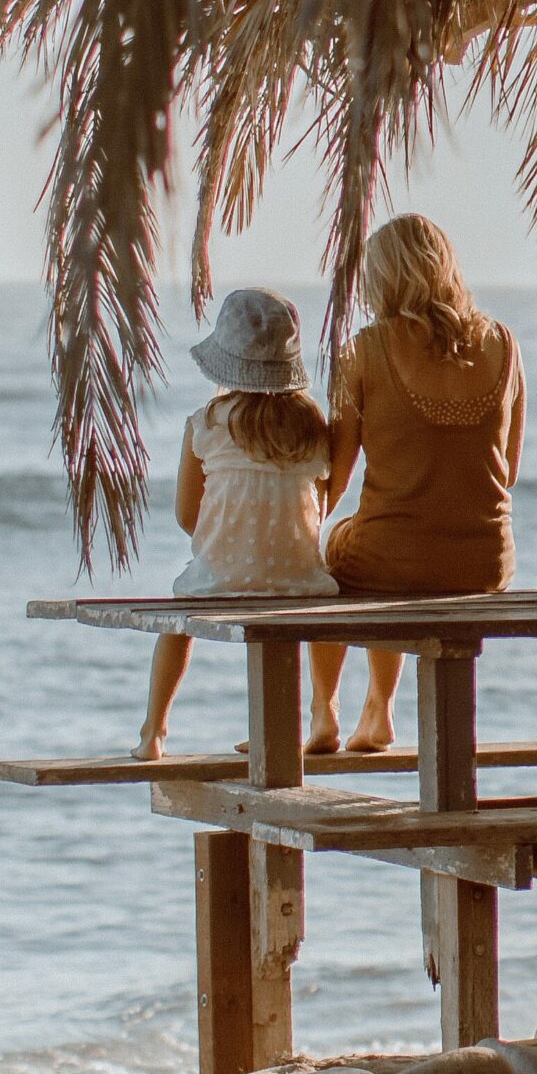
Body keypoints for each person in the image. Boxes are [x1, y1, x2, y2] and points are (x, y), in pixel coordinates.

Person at [308, 215, 526, 755]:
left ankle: (324, 711)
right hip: (485, 565)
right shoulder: (503, 343)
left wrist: (298, 536)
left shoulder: (364, 348)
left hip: (393, 563)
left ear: (382, 277)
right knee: (380, 538)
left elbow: (335, 477)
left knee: (341, 550)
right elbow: (508, 469)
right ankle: (377, 711)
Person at [132, 289, 337, 760]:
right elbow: (319, 505)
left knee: (177, 622)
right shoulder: (311, 423)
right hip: (300, 580)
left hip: (221, 577)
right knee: (297, 607)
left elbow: (187, 514)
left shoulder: (206, 422)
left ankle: (154, 731)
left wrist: (226, 543)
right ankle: (308, 717)